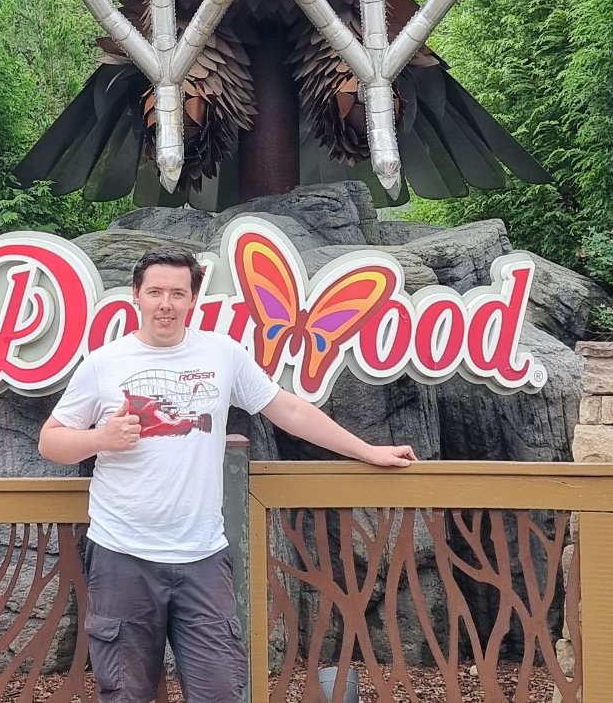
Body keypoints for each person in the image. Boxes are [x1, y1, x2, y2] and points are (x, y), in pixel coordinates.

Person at [39, 247, 417, 703]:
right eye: (155, 291)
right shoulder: (104, 363)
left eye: (177, 293)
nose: (165, 303)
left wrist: (367, 451)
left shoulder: (223, 355)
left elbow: (288, 409)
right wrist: (100, 439)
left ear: (193, 299)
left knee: (220, 689)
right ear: (135, 295)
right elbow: (51, 441)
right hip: (123, 555)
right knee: (125, 692)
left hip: (203, 557)